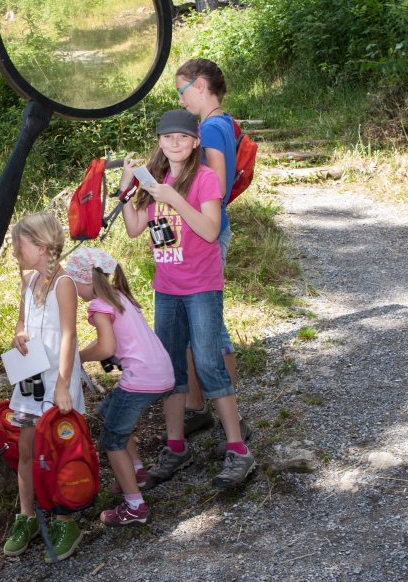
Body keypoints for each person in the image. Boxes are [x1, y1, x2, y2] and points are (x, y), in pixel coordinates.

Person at [120, 110, 256, 490]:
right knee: (171, 368)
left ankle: (238, 449)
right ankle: (176, 447)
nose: (175, 143)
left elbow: (210, 230)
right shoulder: (153, 179)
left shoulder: (205, 178)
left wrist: (174, 199)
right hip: (167, 288)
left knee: (209, 363)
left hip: (201, 287)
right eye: (168, 137)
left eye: (183, 137)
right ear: (159, 141)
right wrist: (127, 189)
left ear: (196, 142)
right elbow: (134, 229)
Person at [174, 58, 249, 446]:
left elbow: (214, 185)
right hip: (201, 232)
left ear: (200, 86)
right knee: (195, 325)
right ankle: (198, 407)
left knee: (211, 328)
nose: (180, 99)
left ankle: (230, 420)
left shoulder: (213, 128)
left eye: (181, 91)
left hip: (207, 234)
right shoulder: (219, 124)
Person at [69, 247, 174, 525]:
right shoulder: (119, 296)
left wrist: (76, 357)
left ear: (86, 280)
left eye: (74, 284)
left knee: (111, 441)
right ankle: (136, 472)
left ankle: (135, 506)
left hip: (140, 379)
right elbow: (114, 341)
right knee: (108, 412)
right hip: (161, 372)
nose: (75, 291)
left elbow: (106, 348)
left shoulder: (99, 306)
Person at [3, 212, 85, 562]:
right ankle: (27, 516)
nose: (13, 250)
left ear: (41, 246)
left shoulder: (64, 284)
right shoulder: (29, 281)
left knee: (58, 450)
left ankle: (66, 521)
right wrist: (19, 335)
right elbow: (22, 324)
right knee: (26, 449)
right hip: (30, 380)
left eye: (18, 244)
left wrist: (63, 384)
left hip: (56, 383)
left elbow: (69, 336)